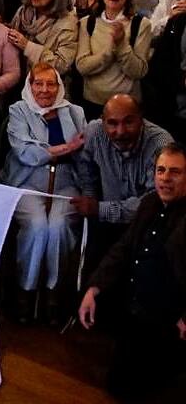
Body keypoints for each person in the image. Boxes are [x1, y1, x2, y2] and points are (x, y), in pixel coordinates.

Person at [77, 142, 186, 401]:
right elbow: (122, 250)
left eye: (175, 172)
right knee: (118, 386)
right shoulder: (149, 203)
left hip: (171, 325)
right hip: (137, 314)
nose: (165, 179)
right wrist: (93, 288)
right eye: (161, 170)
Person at [2, 64, 87, 324]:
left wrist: (58, 150)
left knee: (58, 226)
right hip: (27, 181)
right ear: (30, 85)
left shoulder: (75, 112)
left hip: (66, 183)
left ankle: (53, 294)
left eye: (51, 84)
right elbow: (26, 153)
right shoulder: (18, 110)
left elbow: (83, 154)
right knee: (37, 225)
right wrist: (65, 148)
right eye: (38, 83)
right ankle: (25, 293)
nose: (44, 90)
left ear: (59, 86)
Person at [73, 94, 173, 227]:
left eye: (129, 122)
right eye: (112, 123)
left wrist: (100, 209)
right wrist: (89, 200)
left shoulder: (160, 145)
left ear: (141, 118)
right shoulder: (94, 132)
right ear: (103, 121)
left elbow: (156, 199)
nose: (121, 131)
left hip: (148, 222)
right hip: (104, 219)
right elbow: (86, 173)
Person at [75, 0, 153, 117]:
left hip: (128, 104)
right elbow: (82, 66)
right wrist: (111, 50)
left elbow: (138, 71)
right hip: (92, 102)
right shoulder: (88, 23)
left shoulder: (141, 25)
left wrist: (122, 45)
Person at [7, 0, 78, 82]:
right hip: (19, 80)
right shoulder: (25, 11)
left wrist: (27, 46)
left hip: (47, 87)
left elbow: (62, 66)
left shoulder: (68, 22)